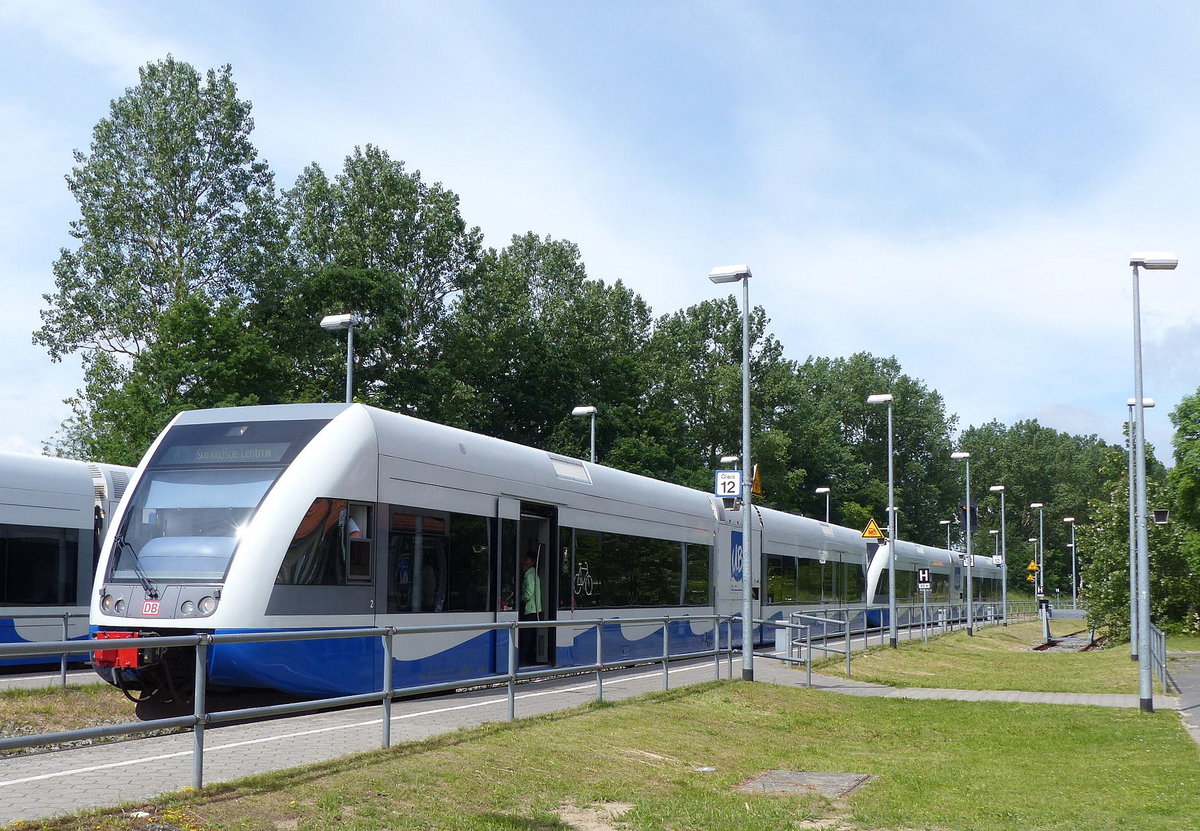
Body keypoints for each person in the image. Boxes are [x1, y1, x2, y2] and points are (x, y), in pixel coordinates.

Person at [520, 551, 543, 664]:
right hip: (536, 610)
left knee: (526, 636)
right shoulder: (534, 574)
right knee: (531, 636)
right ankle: (530, 658)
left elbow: (528, 594)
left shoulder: (529, 575)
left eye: (525, 560)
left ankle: (524, 659)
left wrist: (521, 598)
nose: (523, 563)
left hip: (530, 609)